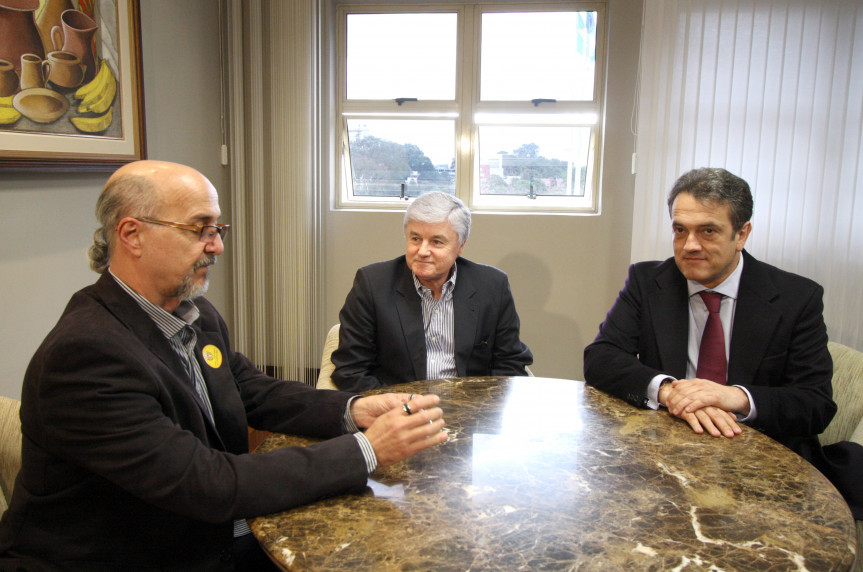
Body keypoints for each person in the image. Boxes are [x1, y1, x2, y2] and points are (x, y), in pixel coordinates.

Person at [0, 160, 447, 571]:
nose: (216, 245)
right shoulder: (86, 355)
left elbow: (250, 388)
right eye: (200, 229)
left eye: (218, 228)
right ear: (132, 235)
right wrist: (367, 449)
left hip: (205, 533)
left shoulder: (194, 312)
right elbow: (207, 484)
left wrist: (353, 411)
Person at [583, 167, 862, 519]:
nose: (690, 246)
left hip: (764, 470)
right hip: (664, 458)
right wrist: (671, 391)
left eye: (708, 231)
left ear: (741, 234)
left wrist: (734, 397)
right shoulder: (647, 280)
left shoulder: (796, 297)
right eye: (680, 230)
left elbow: (815, 404)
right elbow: (601, 358)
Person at [332, 191, 533, 392]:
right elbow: (350, 370)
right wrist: (402, 407)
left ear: (460, 247)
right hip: (397, 411)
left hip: (471, 409)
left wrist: (479, 410)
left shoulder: (492, 286)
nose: (422, 251)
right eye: (415, 239)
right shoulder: (372, 284)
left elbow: (510, 363)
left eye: (437, 242)